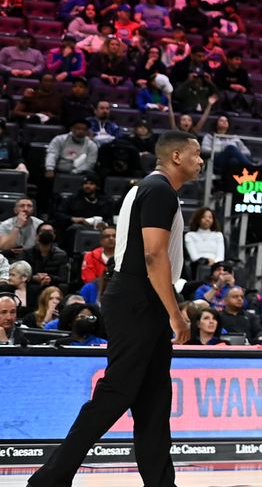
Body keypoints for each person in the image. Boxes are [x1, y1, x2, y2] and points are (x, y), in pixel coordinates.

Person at [27, 132, 201, 487]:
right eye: (196, 154)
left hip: (139, 297)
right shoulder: (159, 190)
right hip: (140, 298)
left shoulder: (147, 188)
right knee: (116, 392)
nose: (201, 161)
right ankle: (49, 479)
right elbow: (153, 255)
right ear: (177, 156)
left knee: (154, 401)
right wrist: (175, 313)